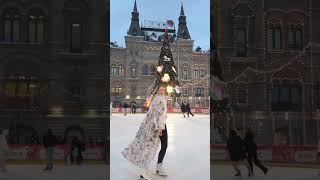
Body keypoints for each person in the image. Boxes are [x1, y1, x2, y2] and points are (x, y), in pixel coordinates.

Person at [122, 86, 168, 180]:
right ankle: (145, 171)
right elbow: (156, 114)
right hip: (157, 126)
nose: (162, 91)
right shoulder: (158, 99)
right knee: (150, 148)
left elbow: (155, 113)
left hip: (155, 125)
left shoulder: (156, 98)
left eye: (163, 89)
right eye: (160, 89)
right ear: (157, 90)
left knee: (156, 146)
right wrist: (159, 127)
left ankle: (156, 167)